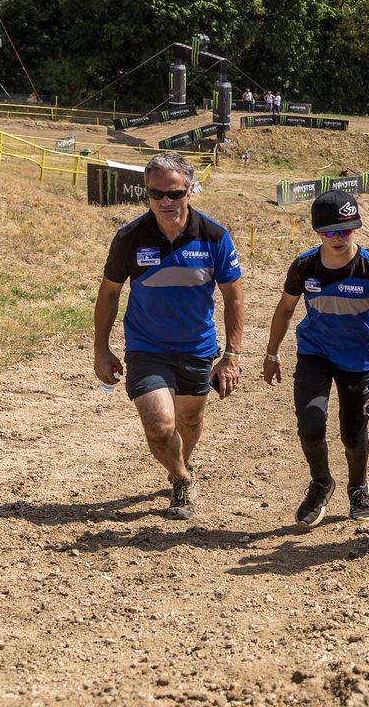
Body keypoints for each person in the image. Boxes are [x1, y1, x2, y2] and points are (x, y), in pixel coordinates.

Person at [94, 151, 245, 521]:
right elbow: (109, 292)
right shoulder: (129, 237)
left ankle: (180, 465)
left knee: (188, 422)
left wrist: (232, 355)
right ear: (146, 193)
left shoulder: (214, 236)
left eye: (174, 194)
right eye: (155, 194)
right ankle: (180, 479)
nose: (165, 201)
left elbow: (234, 296)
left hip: (197, 349)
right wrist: (101, 349)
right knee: (161, 427)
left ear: (190, 190)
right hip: (147, 348)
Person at [263, 191, 369, 528]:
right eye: (330, 232)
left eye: (346, 230)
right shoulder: (304, 265)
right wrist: (272, 353)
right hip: (314, 353)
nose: (338, 238)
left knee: (353, 436)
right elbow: (284, 309)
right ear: (317, 231)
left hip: (355, 360)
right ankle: (321, 482)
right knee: (310, 423)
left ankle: (358, 486)